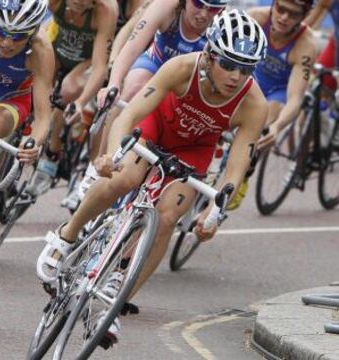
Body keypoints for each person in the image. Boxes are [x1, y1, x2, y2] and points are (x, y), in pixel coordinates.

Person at [37, 9, 268, 345]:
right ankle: (66, 235)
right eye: (229, 64)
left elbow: (236, 166)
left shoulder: (253, 103)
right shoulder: (182, 68)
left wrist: (214, 212)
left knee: (168, 216)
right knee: (124, 178)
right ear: (210, 55)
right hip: (155, 127)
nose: (236, 76)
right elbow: (130, 113)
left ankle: (115, 300)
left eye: (246, 68)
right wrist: (110, 155)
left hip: (193, 150)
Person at [78, 0, 228, 204]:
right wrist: (114, 84)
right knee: (129, 91)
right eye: (198, 4)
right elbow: (133, 46)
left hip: (186, 85)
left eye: (212, 9)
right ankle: (99, 164)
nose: (203, 14)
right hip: (154, 65)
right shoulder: (167, 7)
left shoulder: (223, 28)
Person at [226, 0, 316, 210]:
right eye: (281, 9)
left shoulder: (305, 45)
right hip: (250, 78)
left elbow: (295, 98)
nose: (284, 18)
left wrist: (277, 127)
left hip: (278, 91)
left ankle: (245, 169)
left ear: (303, 17)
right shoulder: (255, 18)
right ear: (273, 5)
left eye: (293, 14)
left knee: (266, 115)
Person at [26, 0, 118, 196]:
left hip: (85, 61)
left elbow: (100, 66)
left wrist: (81, 102)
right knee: (31, 71)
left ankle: (52, 152)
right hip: (57, 50)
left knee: (68, 89)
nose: (79, 1)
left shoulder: (106, 10)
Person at [0, 0, 55, 196]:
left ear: (32, 32)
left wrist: (34, 143)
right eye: (2, 32)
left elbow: (43, 117)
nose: (7, 43)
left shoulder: (41, 51)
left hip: (10, 99)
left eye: (19, 36)